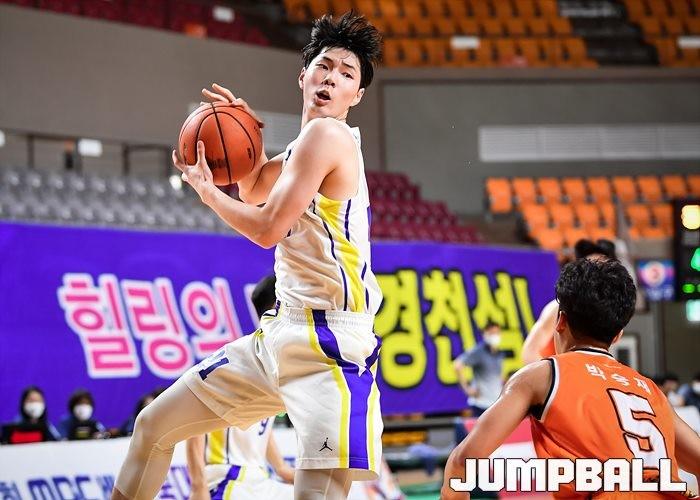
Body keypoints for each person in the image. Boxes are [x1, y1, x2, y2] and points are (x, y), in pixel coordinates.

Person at [113, 12, 383, 500]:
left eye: (347, 74)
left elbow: (266, 229)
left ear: (357, 95)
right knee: (153, 425)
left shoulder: (329, 136)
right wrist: (247, 138)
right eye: (324, 66)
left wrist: (206, 191)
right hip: (281, 331)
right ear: (303, 77)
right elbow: (255, 186)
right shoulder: (303, 146)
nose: (331, 78)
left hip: (331, 345)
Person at [441, 259, 700, 499]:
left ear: (560, 320)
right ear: (618, 335)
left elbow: (462, 462)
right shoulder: (651, 391)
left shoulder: (542, 375)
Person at [186, 274, 295, 500]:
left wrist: (282, 468)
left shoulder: (281, 362)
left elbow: (260, 426)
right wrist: (198, 485)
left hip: (260, 478)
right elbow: (194, 425)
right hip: (228, 476)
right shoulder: (242, 359)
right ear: (278, 307)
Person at [521, 238, 617, 365]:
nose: (595, 273)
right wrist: (555, 373)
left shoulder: (611, 310)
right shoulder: (558, 307)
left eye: (601, 267)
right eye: (589, 266)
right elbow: (529, 351)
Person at [452, 322, 504, 417]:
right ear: (485, 334)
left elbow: (498, 375)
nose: (495, 336)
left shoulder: (499, 353)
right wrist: (467, 389)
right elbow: (457, 365)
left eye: (497, 333)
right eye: (491, 333)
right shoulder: (478, 352)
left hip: (495, 402)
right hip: (480, 404)